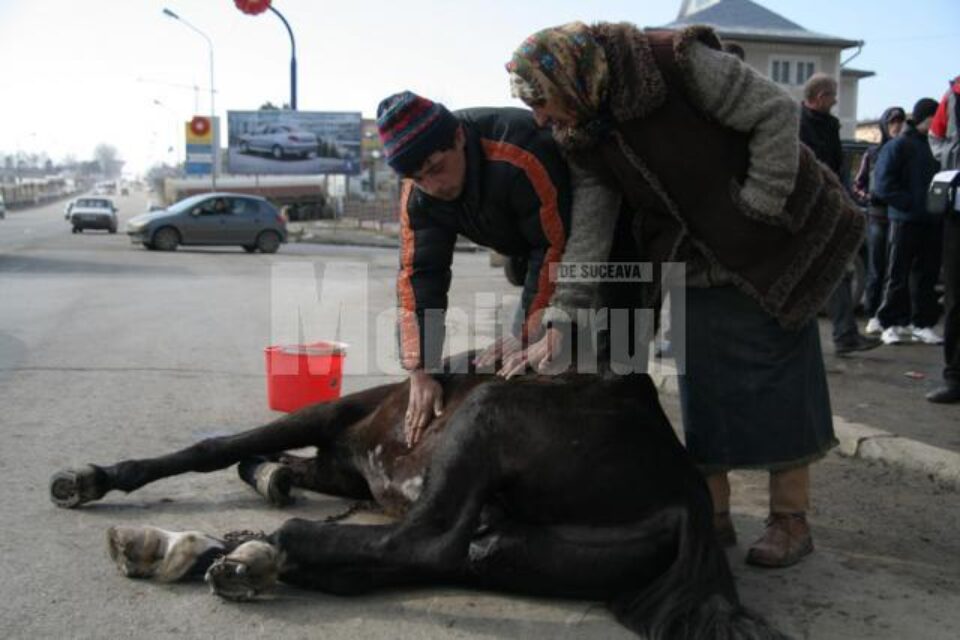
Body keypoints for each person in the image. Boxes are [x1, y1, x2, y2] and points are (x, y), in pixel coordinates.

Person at [504, 22, 866, 568]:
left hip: (780, 233)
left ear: (570, 76)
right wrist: (565, 313)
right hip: (698, 252)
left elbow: (774, 112)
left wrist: (758, 207)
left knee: (780, 376)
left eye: (541, 101)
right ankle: (712, 513)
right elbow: (591, 229)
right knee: (706, 381)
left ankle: (791, 519)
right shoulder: (582, 131)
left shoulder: (670, 62)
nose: (539, 118)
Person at [375, 91, 571, 446]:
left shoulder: (520, 151)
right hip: (523, 244)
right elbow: (420, 274)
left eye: (437, 168)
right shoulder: (419, 192)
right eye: (420, 178)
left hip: (587, 244)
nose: (434, 186)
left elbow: (555, 246)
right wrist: (421, 369)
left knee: (571, 349)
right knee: (521, 357)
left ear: (460, 138)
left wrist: (528, 334)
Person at [799, 73, 881, 355]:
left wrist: (844, 200)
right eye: (833, 95)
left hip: (828, 207)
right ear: (821, 97)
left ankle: (845, 334)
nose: (836, 101)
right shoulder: (797, 124)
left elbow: (837, 168)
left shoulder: (829, 126)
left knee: (837, 270)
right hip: (807, 211)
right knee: (810, 274)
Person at [873, 98, 944, 347]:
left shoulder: (935, 147)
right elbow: (882, 184)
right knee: (897, 275)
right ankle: (890, 323)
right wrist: (909, 204)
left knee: (926, 276)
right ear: (925, 118)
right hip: (904, 220)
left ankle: (922, 323)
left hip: (931, 221)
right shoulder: (898, 146)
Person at [852, 107, 907, 333]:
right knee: (876, 268)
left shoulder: (906, 152)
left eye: (900, 122)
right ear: (885, 125)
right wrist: (870, 198)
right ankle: (872, 313)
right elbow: (858, 185)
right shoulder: (872, 153)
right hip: (877, 218)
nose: (897, 126)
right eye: (893, 122)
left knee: (895, 272)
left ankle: (890, 317)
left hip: (900, 218)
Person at [927, 76, 960, 403]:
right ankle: (955, 377)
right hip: (957, 211)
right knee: (955, 296)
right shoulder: (952, 95)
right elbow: (936, 137)